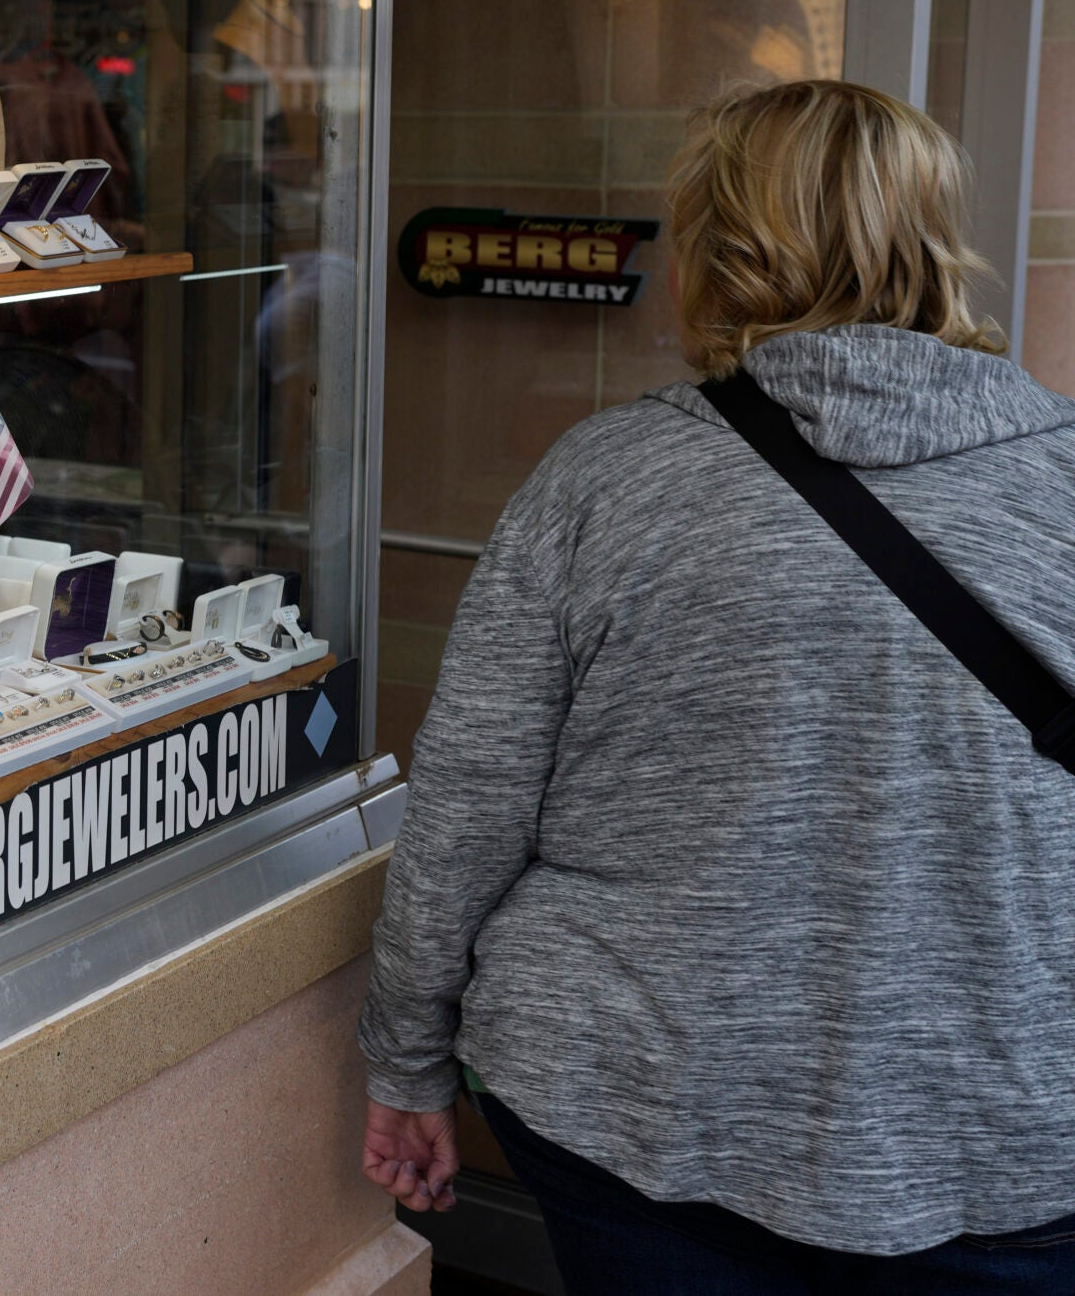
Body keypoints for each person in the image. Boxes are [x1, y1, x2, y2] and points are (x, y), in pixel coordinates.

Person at [357, 80, 1075, 1292]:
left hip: (635, 1106)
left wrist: (407, 1061)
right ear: (931, 244)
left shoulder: (606, 480)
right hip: (1007, 1133)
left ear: (718, 253)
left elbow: (469, 805)